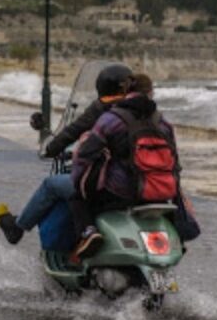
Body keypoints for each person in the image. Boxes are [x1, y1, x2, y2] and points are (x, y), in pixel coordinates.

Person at [0, 64, 133, 245]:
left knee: (51, 184)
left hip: (110, 184)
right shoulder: (145, 111)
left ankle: (17, 228)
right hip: (145, 185)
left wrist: (51, 148)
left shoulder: (103, 109)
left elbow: (73, 131)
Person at [69, 73, 179, 259]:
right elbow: (175, 162)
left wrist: (77, 180)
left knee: (76, 197)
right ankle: (178, 240)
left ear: (125, 92)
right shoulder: (163, 123)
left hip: (121, 192)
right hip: (161, 192)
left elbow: (85, 155)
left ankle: (88, 233)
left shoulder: (112, 119)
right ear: (151, 92)